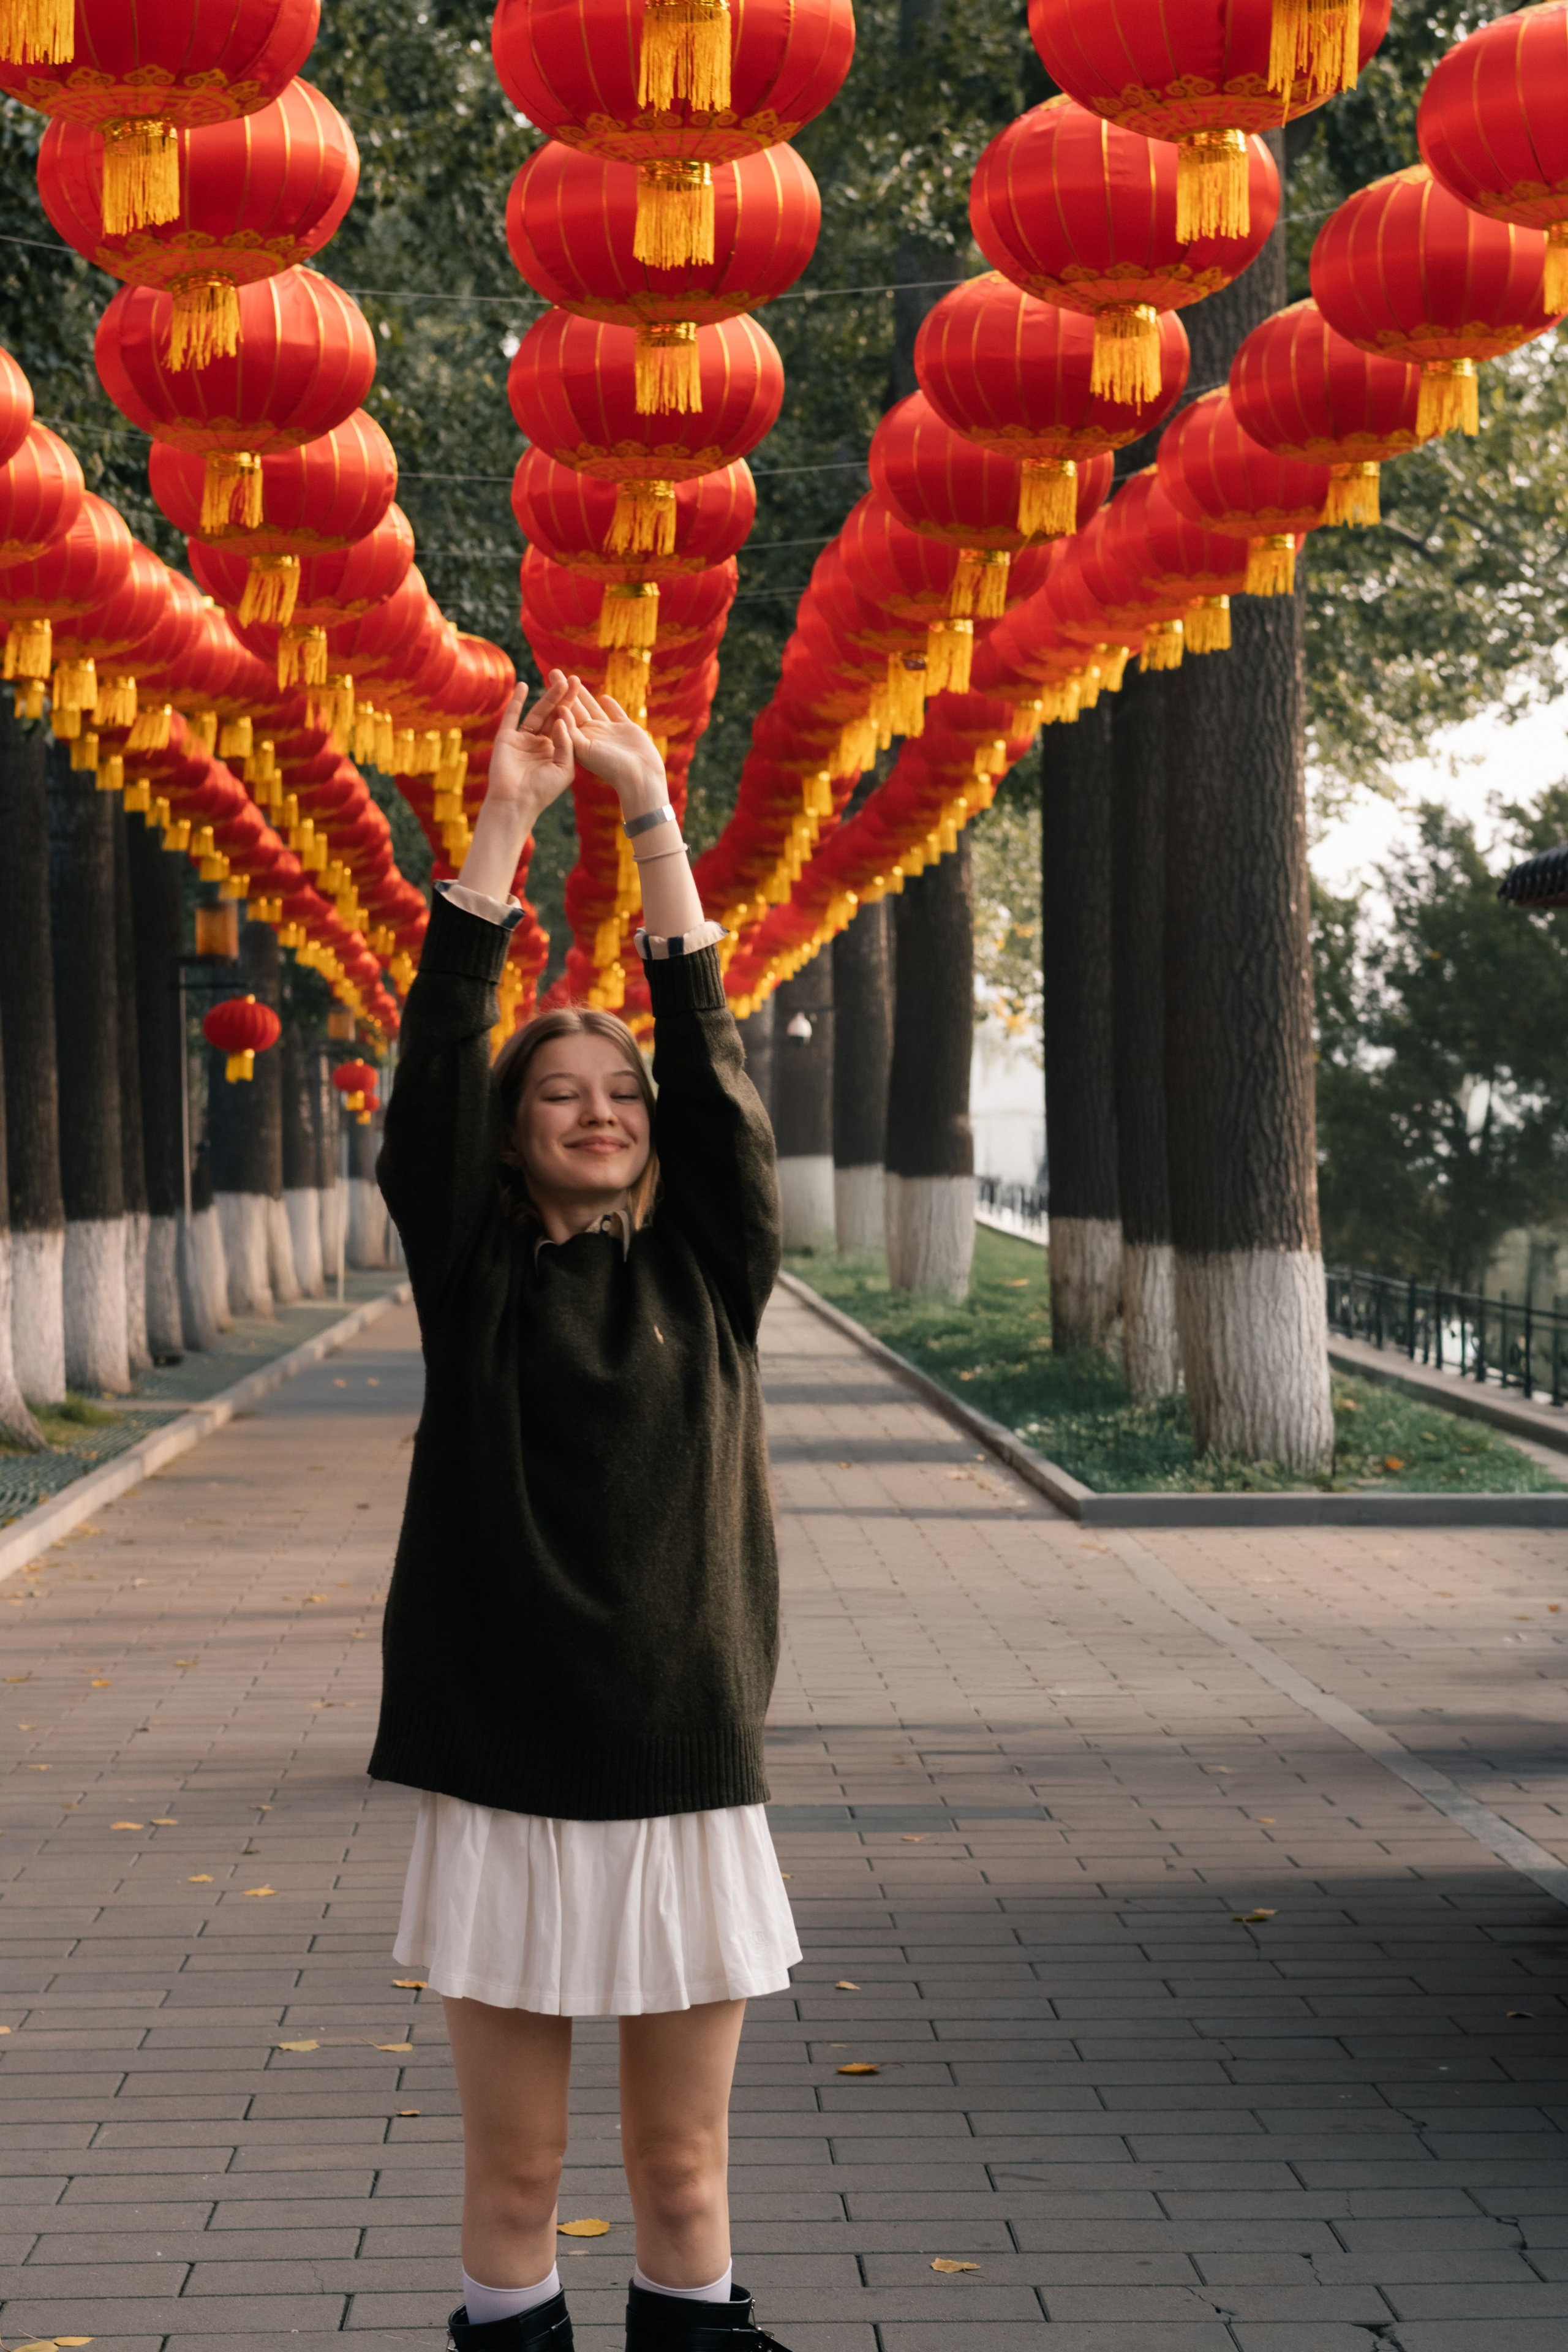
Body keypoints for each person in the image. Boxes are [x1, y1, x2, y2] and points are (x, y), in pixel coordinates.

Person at [371, 673, 799, 2352]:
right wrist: (504, 825)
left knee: (684, 2175)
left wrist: (654, 819)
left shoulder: (714, 1274)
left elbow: (710, 1067)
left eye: (618, 1097)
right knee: (517, 2171)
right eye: (561, 1093)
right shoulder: (467, 1272)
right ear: (511, 1132)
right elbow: (429, 1067)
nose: (602, 1111)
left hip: (686, 1772)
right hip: (504, 1774)